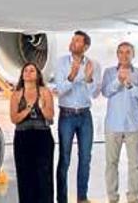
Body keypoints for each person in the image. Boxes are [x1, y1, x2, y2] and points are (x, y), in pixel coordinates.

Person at [54, 30, 101, 203]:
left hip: (84, 115)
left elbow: (95, 93)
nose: (73, 42)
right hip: (66, 115)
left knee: (85, 157)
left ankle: (82, 197)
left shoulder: (93, 65)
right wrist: (72, 76)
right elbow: (60, 90)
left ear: (86, 46)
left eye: (77, 40)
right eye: (73, 39)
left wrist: (88, 79)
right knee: (64, 157)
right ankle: (62, 198)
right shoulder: (61, 63)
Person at [101, 42, 138, 203]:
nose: (124, 55)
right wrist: (118, 81)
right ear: (117, 54)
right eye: (121, 52)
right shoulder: (109, 73)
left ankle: (133, 197)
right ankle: (112, 197)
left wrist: (129, 84)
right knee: (111, 163)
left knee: (134, 165)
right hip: (113, 126)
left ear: (133, 54)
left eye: (127, 52)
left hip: (133, 126)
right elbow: (106, 92)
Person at [10, 61, 55, 203]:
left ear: (37, 75)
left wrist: (41, 107)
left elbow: (50, 115)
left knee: (44, 175)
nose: (28, 73)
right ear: (22, 75)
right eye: (26, 71)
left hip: (42, 136)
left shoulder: (45, 92)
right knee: (25, 175)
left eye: (32, 71)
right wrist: (28, 109)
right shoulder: (17, 95)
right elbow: (14, 118)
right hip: (23, 137)